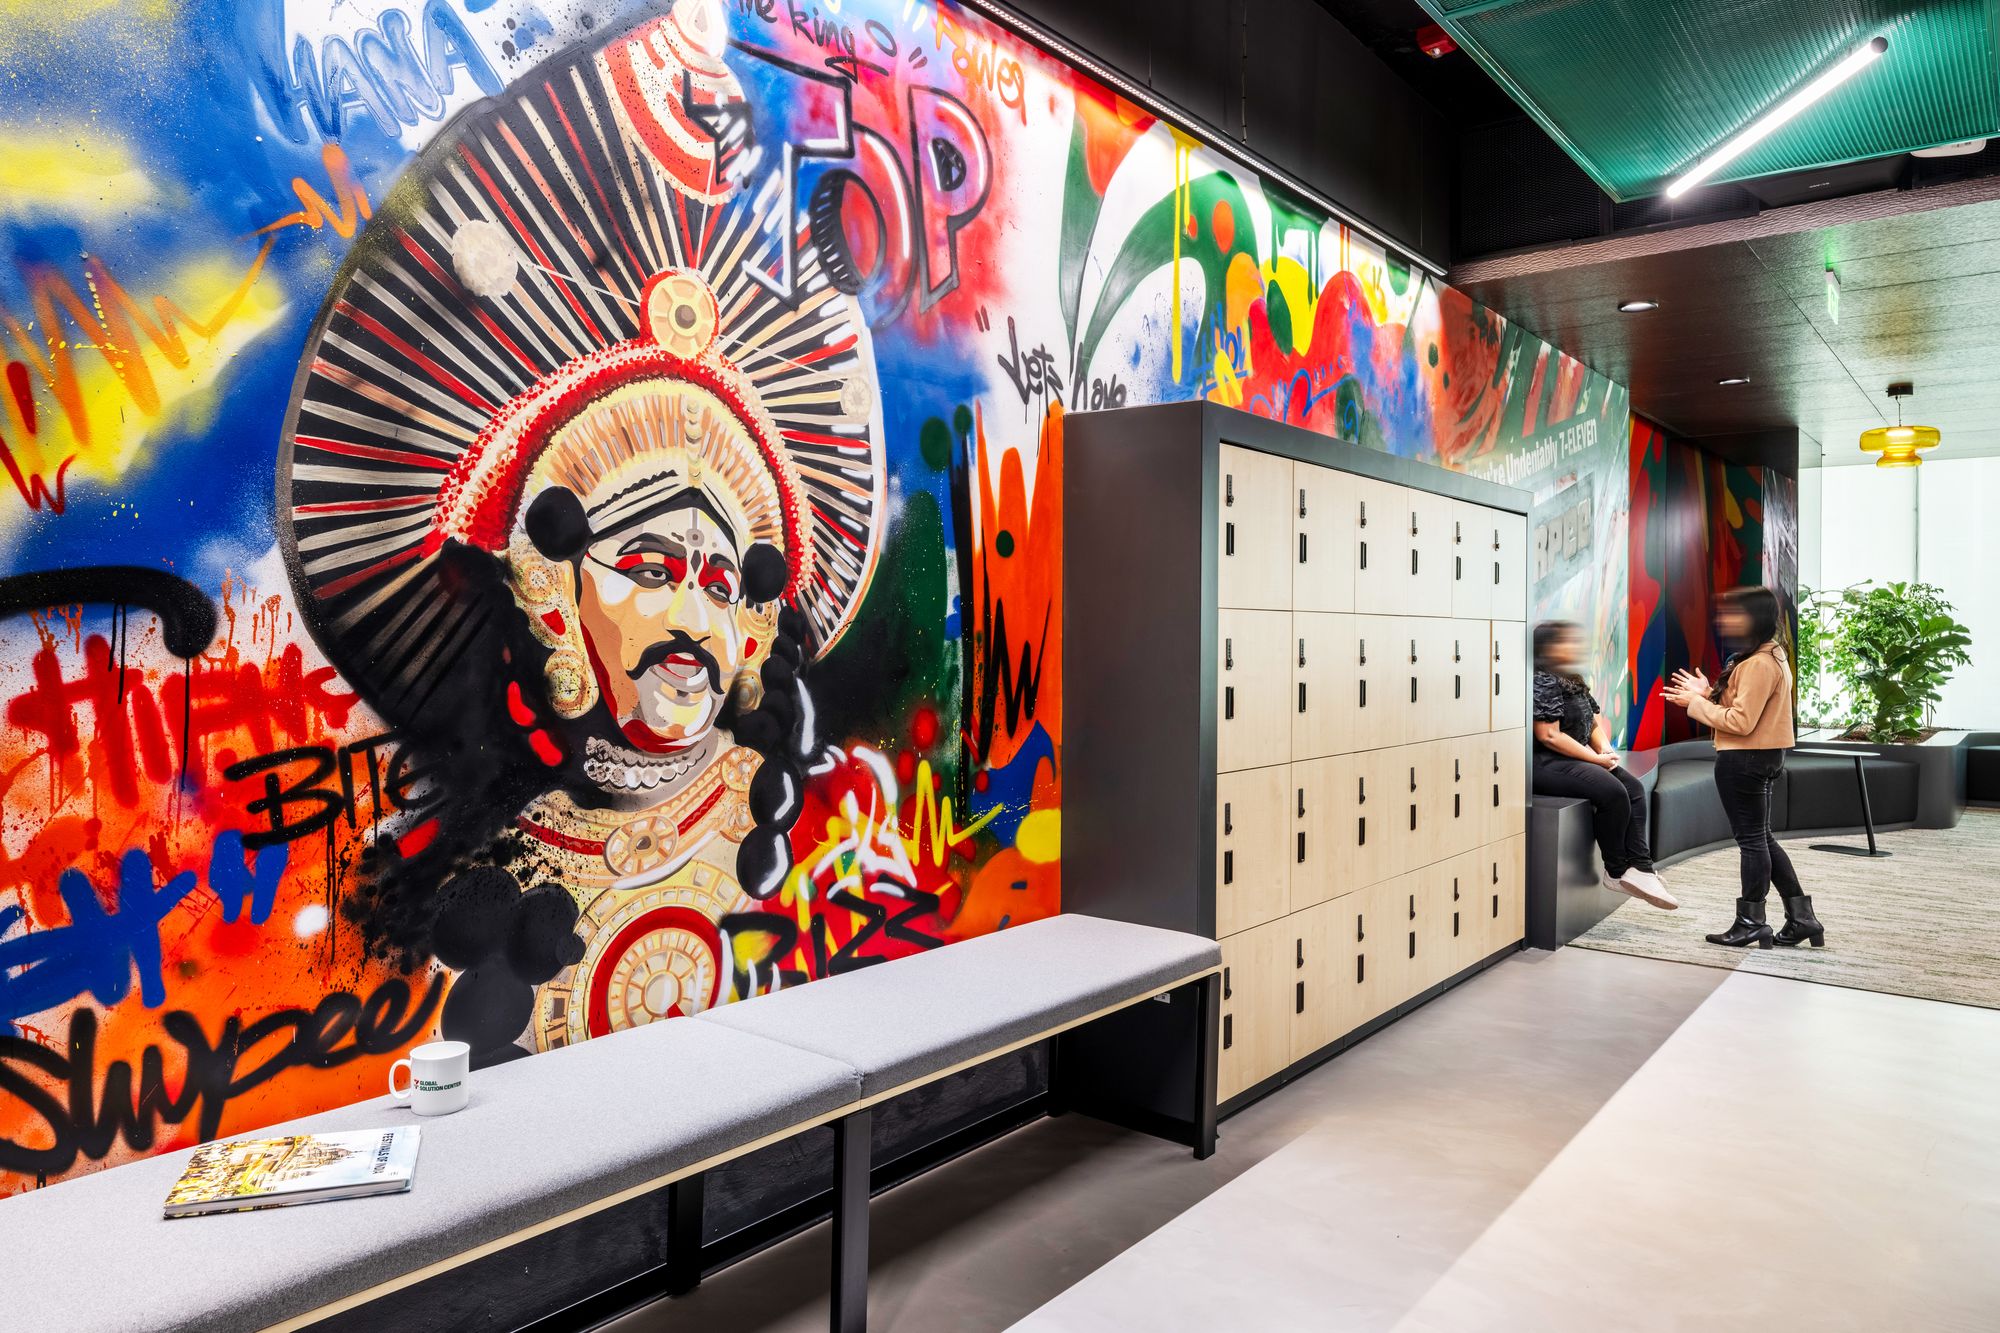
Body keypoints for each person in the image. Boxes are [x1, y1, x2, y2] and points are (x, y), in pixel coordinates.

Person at [1662, 586, 1825, 949]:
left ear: (1754, 618)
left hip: (1744, 758)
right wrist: (1708, 693)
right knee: (1761, 838)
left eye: (1734, 614)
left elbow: (1740, 722)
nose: (1725, 621)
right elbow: (1749, 708)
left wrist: (1695, 704)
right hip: (1763, 756)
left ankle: (1751, 922)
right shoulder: (1772, 655)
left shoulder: (1757, 664)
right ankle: (1802, 918)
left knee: (1752, 841)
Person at [1531, 621, 1677, 909]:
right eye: (1566, 642)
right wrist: (1595, 759)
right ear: (1547, 648)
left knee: (1633, 788)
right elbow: (1548, 735)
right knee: (1613, 792)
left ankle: (1642, 867)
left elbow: (1593, 720)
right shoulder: (1541, 681)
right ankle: (1617, 870)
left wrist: (1605, 750)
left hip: (1573, 758)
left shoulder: (1571, 678)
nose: (1575, 647)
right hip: (1546, 762)